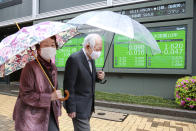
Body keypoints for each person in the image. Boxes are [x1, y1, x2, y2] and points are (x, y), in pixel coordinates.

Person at [13, 36, 62, 131]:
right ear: (38, 50)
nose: (50, 48)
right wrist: (49, 97)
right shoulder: (30, 67)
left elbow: (54, 89)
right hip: (32, 119)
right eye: (46, 45)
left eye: (52, 45)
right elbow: (25, 95)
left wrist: (57, 102)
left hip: (50, 114)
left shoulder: (53, 67)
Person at [63, 34, 105, 131]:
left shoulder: (91, 58)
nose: (99, 52)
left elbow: (88, 77)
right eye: (97, 49)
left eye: (100, 49)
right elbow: (68, 86)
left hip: (88, 106)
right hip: (78, 107)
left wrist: (98, 77)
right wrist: (71, 108)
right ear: (87, 46)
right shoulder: (74, 59)